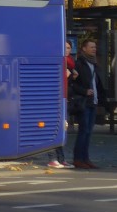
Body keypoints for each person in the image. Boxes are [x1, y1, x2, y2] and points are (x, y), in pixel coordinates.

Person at [70, 38, 112, 169]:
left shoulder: (94, 64)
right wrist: (84, 91)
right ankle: (78, 159)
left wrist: (104, 101)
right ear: (84, 49)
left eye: (95, 47)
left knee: (88, 132)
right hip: (84, 102)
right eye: (91, 47)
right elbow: (72, 84)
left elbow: (97, 85)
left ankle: (85, 158)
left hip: (93, 102)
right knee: (83, 131)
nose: (94, 49)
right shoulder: (79, 64)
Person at [48, 42, 76, 168]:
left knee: (63, 129)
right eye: (65, 47)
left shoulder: (70, 64)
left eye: (69, 48)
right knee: (54, 129)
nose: (67, 50)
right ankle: (53, 158)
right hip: (55, 100)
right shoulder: (56, 62)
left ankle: (61, 159)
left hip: (65, 99)